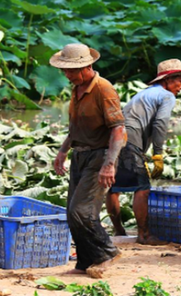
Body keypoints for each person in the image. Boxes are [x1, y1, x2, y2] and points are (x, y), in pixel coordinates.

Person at [50, 43, 127, 278]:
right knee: (71, 212)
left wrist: (109, 164)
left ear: (87, 66)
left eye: (71, 71)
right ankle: (85, 261)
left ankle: (107, 252)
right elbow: (75, 127)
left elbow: (118, 128)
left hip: (99, 155)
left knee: (81, 211)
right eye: (65, 70)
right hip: (80, 154)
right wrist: (63, 151)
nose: (66, 75)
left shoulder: (104, 89)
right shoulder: (77, 89)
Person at [105, 59, 181, 245]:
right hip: (131, 139)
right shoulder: (166, 95)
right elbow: (160, 124)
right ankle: (144, 235)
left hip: (115, 137)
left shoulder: (144, 93)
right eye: (179, 80)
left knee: (114, 187)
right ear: (168, 80)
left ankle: (119, 230)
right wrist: (158, 154)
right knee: (143, 187)